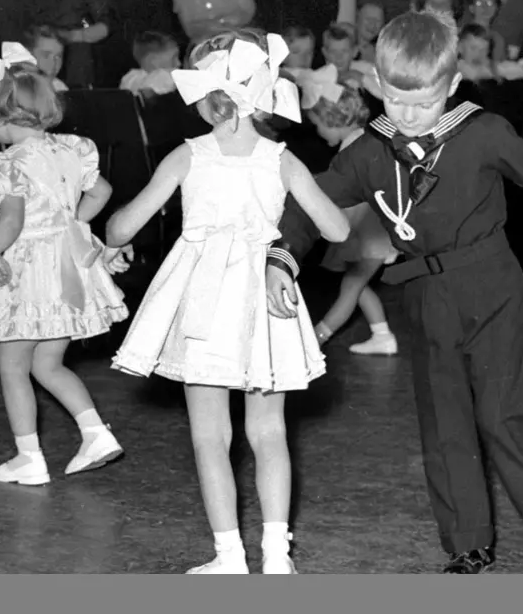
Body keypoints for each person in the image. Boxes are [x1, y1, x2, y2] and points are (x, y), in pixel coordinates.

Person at [262, 10, 523, 574]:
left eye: (423, 103)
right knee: (445, 417)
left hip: (492, 282)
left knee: (502, 410)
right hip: (426, 293)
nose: (406, 117)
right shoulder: (371, 150)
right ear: (377, 86)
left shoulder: (482, 132)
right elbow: (314, 199)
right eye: (395, 101)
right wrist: (282, 256)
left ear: (452, 86)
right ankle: (466, 540)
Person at [108, 31, 350, 574]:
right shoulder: (282, 159)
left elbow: (123, 229)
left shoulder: (187, 155)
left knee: (210, 436)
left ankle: (229, 556)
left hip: (205, 304)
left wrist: (108, 224)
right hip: (266, 302)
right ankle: (277, 555)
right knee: (269, 433)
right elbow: (335, 227)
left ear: (204, 97)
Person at [0, 57, 130, 485]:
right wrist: (75, 225)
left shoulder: (6, 164)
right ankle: (94, 432)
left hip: (30, 272)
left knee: (11, 362)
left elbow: (9, 223)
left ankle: (29, 456)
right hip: (66, 266)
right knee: (48, 363)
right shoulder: (73, 148)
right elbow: (101, 191)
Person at [299, 74, 398, 356]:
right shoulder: (362, 138)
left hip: (370, 230)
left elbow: (357, 194)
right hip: (370, 228)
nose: (318, 133)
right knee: (356, 283)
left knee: (351, 285)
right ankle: (382, 335)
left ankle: (314, 341)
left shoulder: (355, 146)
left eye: (318, 126)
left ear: (333, 119)